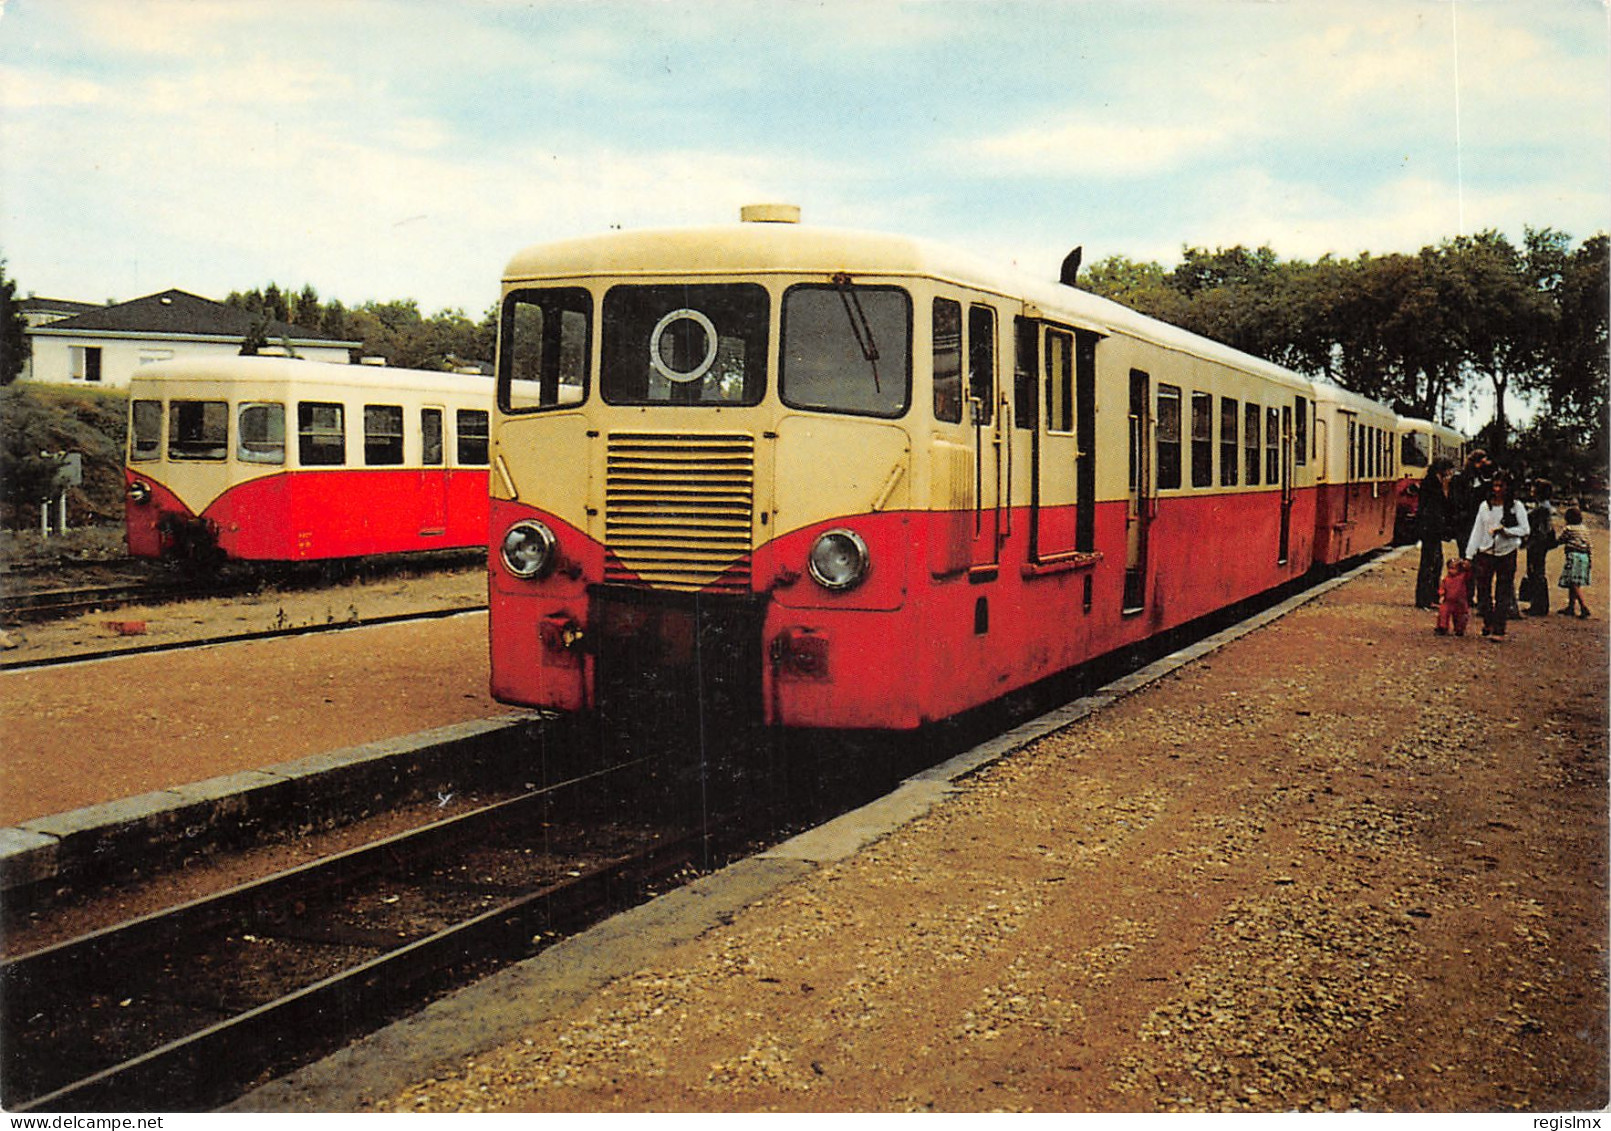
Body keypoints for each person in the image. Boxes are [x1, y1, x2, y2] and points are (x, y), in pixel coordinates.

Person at [1465, 474, 1529, 639]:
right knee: (1483, 589)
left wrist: (1506, 531)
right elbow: (1477, 530)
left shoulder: (1517, 507)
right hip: (1486, 551)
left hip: (1506, 551)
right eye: (1495, 486)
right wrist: (1469, 554)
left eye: (1501, 486)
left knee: (1503, 590)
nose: (1497, 490)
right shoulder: (1485, 507)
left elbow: (1525, 529)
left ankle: (1499, 628)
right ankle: (1489, 621)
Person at [1414, 460, 1454, 609]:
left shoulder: (1431, 482)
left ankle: (1431, 595)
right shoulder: (1433, 484)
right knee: (1430, 562)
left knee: (1435, 562)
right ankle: (1425, 598)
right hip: (1430, 528)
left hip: (1431, 528)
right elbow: (1439, 504)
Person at [1522, 479, 1557, 616]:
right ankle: (1538, 604)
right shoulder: (1544, 506)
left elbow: (1529, 520)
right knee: (1537, 572)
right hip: (1540, 543)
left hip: (1537, 543)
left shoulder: (1541, 508)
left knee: (1535, 572)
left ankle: (1538, 605)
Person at [1447, 449, 1492, 551]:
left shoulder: (1480, 479)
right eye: (1481, 463)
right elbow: (1456, 500)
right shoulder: (1460, 479)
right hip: (1464, 521)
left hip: (1476, 520)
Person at [1558, 507, 1593, 618]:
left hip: (1573, 556)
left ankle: (1583, 606)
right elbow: (1589, 545)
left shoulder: (1568, 529)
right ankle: (1571, 607)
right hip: (1584, 557)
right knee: (1575, 582)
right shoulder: (1585, 529)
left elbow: (1560, 540)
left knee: (1573, 583)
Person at [1436, 557, 1473, 636]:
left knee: (1460, 616)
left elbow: (1469, 574)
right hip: (1448, 601)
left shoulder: (1462, 577)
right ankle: (1442, 627)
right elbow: (1442, 587)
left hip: (1460, 601)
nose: (1450, 571)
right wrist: (1442, 595)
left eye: (1453, 568)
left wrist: (1467, 566)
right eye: (1449, 568)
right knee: (1443, 614)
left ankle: (1459, 629)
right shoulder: (1446, 579)